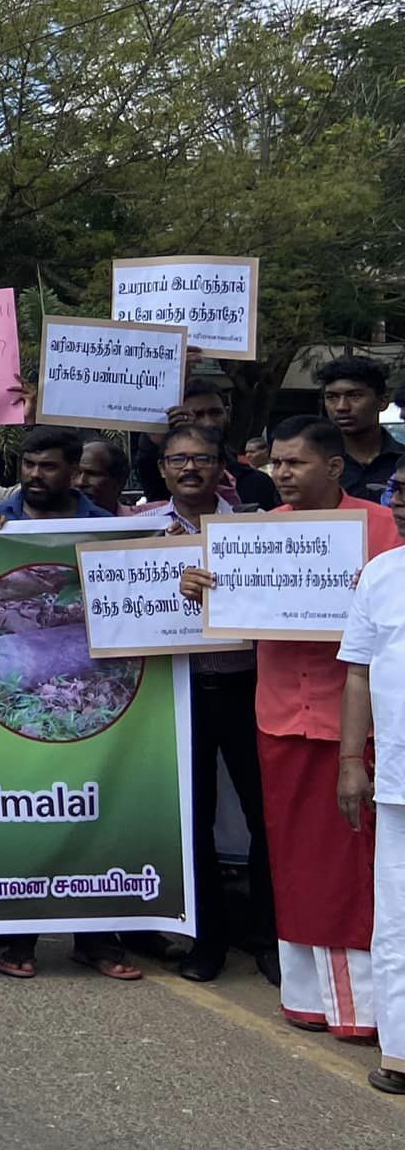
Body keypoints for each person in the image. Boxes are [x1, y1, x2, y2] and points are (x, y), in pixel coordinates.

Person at [182, 416, 402, 1039]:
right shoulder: (252, 536)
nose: (279, 473)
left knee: (354, 867)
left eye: (294, 463)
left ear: (332, 467)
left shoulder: (383, 530)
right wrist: (202, 591)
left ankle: (365, 1009)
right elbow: (238, 616)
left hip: (356, 726)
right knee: (293, 862)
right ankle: (307, 997)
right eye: (275, 462)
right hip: (279, 717)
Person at [0, 426, 139, 982]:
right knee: (28, 816)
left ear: (74, 472)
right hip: (19, 698)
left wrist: (163, 544)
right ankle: (20, 937)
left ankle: (95, 938)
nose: (34, 475)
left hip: (89, 697)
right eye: (28, 465)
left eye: (48, 466)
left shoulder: (109, 528)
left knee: (93, 815)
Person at [140, 424, 273, 984]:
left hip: (248, 687)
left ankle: (269, 937)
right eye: (178, 459)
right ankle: (206, 939)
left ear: (223, 467)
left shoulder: (254, 529)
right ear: (162, 469)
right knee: (191, 817)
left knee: (263, 814)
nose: (190, 468)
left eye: (202, 458)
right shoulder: (137, 528)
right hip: (176, 693)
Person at [338, 534, 405, 1093]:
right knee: (398, 918)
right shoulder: (381, 573)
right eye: (398, 494)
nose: (400, 503)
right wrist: (349, 761)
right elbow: (357, 673)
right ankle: (400, 1052)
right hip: (399, 781)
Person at [134, 378, 278, 509]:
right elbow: (146, 461)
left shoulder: (257, 483)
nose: (209, 423)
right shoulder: (163, 478)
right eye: (197, 415)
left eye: (215, 413)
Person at [318, 355, 403, 503]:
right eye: (332, 397)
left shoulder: (402, 461)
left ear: (382, 401)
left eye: (355, 396)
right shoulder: (315, 464)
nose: (341, 407)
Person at [74, 438, 128, 516]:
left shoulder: (137, 520)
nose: (80, 482)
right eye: (77, 473)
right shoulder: (60, 521)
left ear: (119, 481)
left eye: (93, 474)